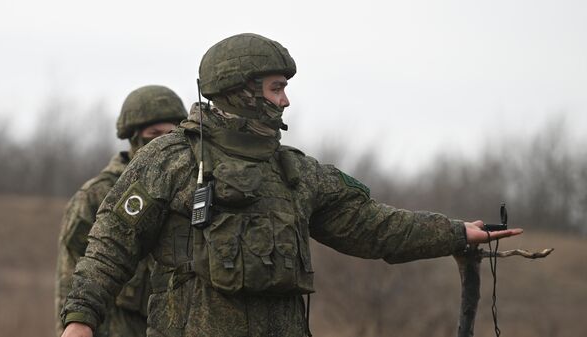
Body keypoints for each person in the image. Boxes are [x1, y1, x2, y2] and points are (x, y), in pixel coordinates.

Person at [60, 33, 522, 337]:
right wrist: (80, 321)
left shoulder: (295, 172)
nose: (285, 100)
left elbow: (372, 227)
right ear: (240, 89)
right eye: (276, 88)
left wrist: (454, 232)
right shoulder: (171, 159)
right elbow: (111, 246)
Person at [55, 85, 188, 337]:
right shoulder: (96, 195)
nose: (163, 141)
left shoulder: (185, 189)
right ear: (134, 137)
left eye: (172, 133)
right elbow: (69, 278)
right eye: (154, 133)